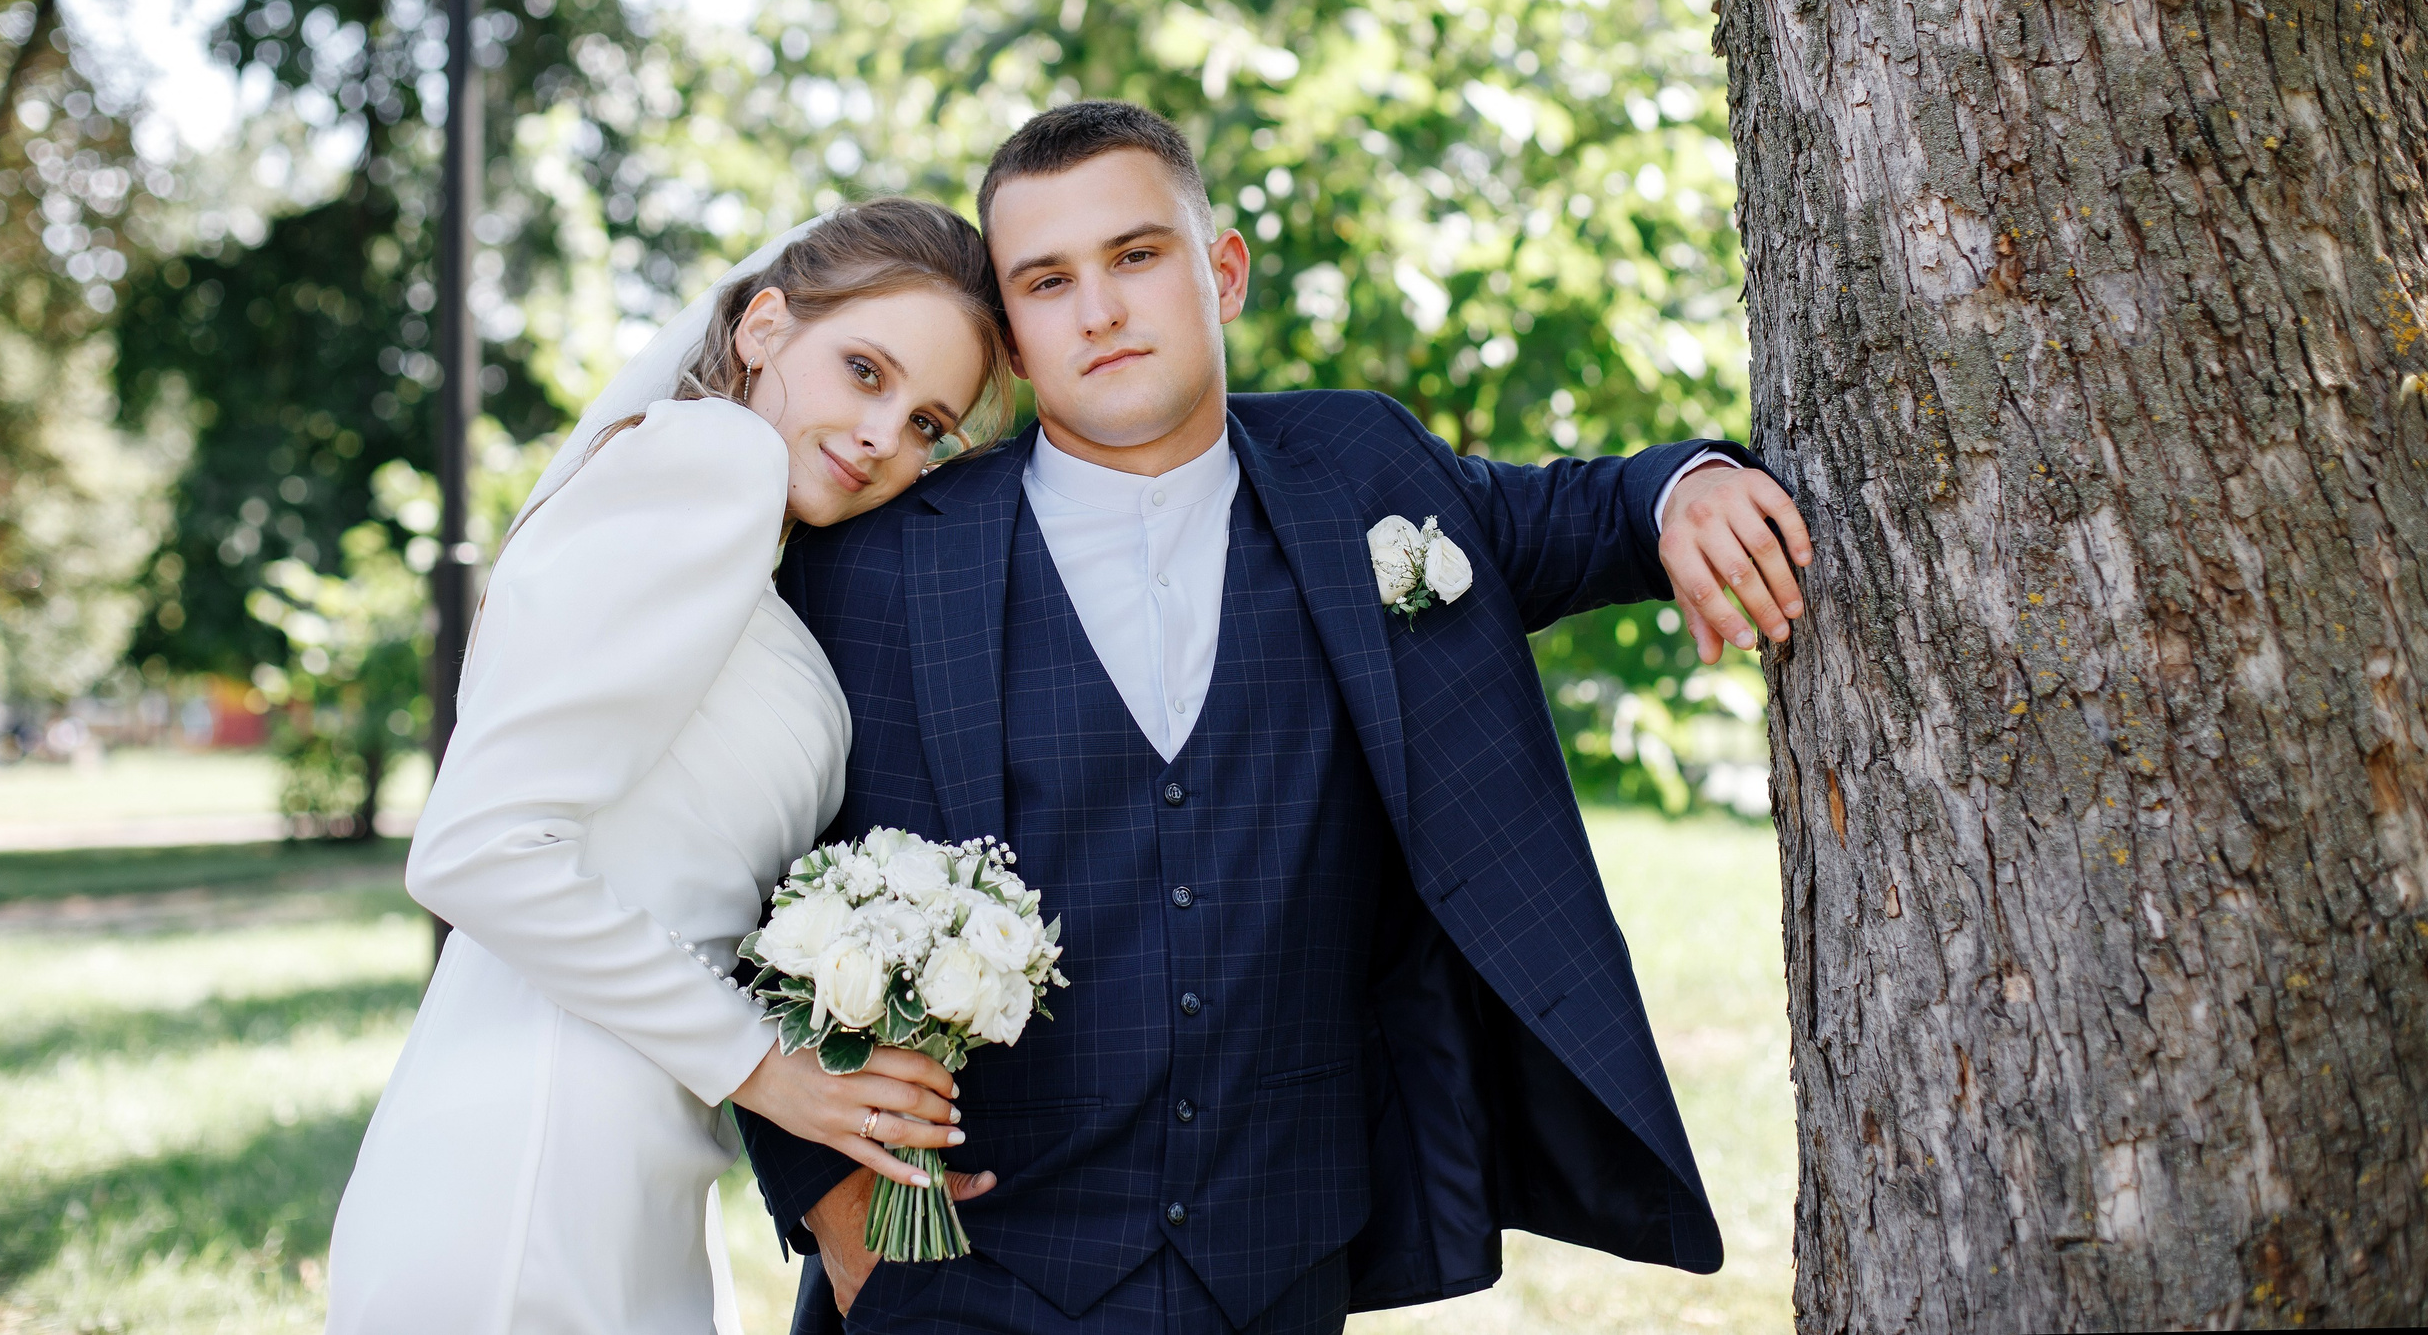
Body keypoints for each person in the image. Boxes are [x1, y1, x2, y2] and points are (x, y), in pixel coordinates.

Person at [739, 102, 1815, 1335]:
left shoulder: (1369, 475)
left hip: (1277, 1258)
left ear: (1223, 271)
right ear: (1015, 344)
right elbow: (734, 876)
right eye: (1047, 282)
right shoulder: (871, 565)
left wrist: (1693, 485)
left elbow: (1587, 510)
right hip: (958, 1264)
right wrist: (816, 1192)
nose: (1098, 310)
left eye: (1136, 257)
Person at [325, 199, 1017, 1335]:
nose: (884, 433)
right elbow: (475, 850)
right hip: (530, 1162)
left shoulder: (750, 551)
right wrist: (770, 1069)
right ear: (761, 326)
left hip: (626, 1160)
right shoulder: (714, 458)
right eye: (862, 370)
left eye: (929, 422)